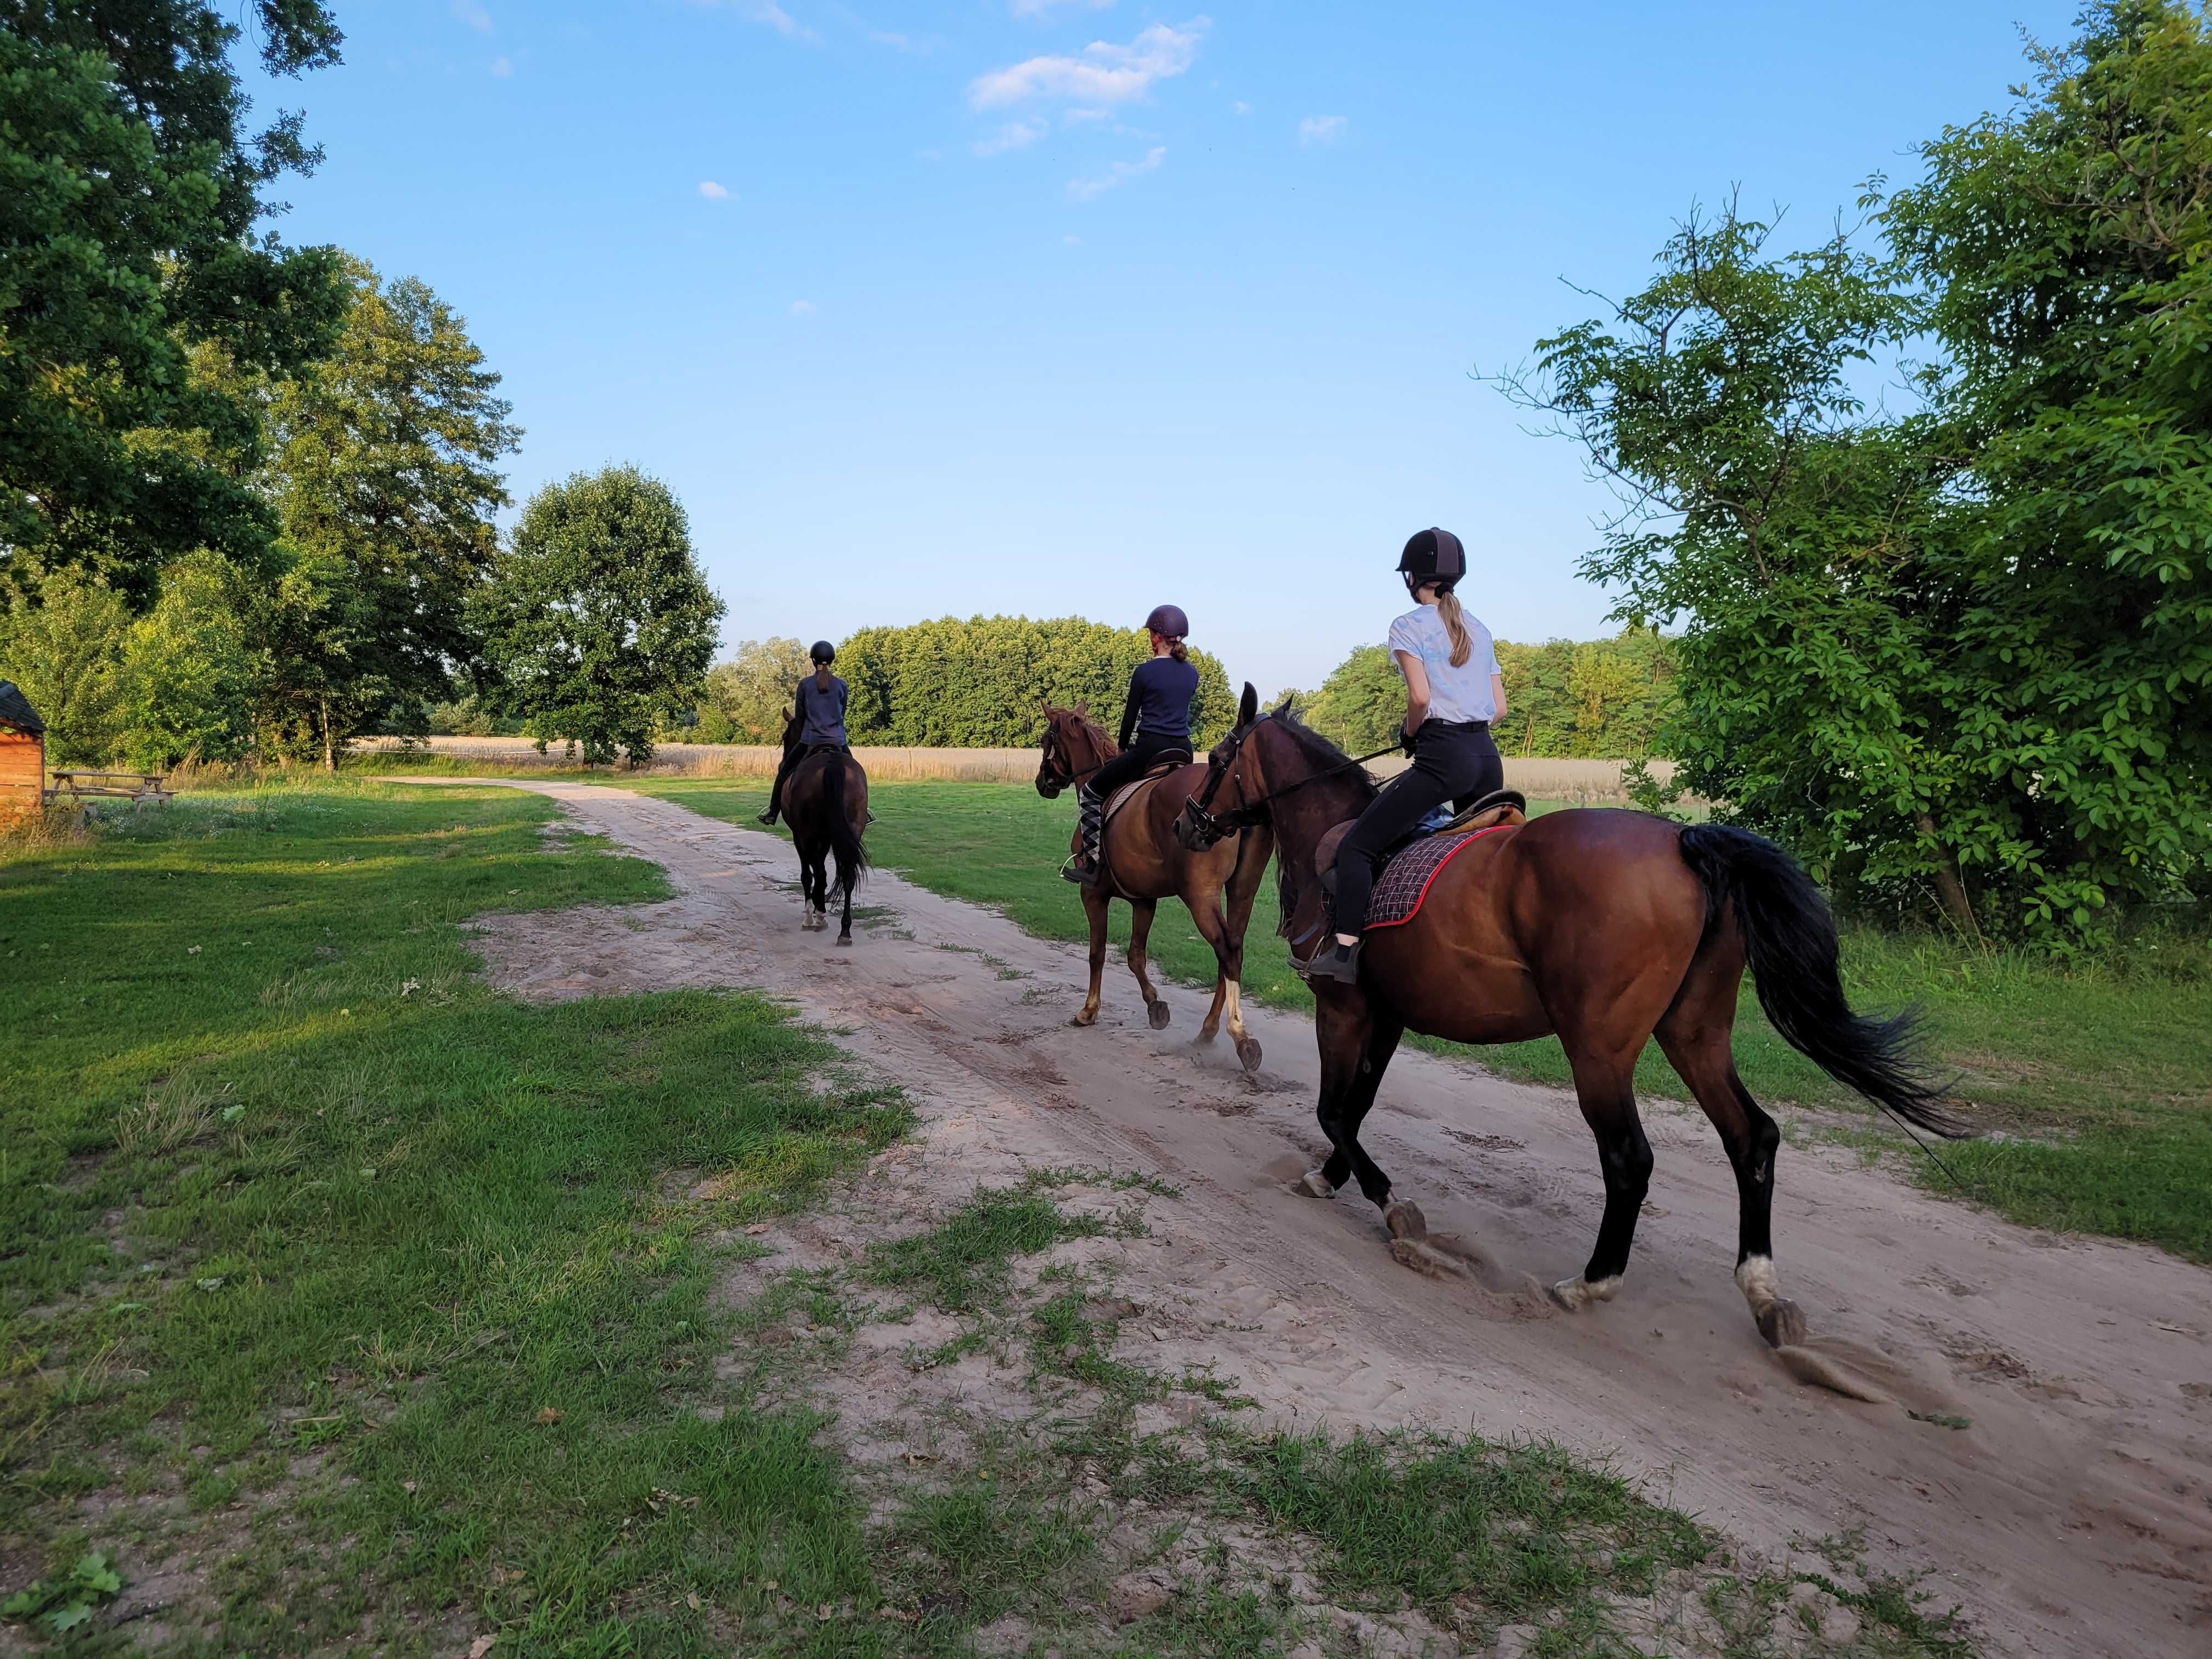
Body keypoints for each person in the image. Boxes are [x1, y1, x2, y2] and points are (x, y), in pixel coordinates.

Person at [1303, 529, 1508, 983]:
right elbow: (1500, 709)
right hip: (1486, 756)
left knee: (1357, 846)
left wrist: (1411, 733)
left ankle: (1345, 953)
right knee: (1484, 857)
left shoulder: (1408, 626)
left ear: (1412, 577)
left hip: (1444, 760)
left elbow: (1419, 696)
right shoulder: (1480, 628)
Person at [1064, 605, 1200, 884]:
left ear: (1156, 637)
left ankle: (1092, 864)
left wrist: (1123, 749)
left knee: (1091, 793)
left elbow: (1129, 719)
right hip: (1184, 750)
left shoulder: (1145, 672)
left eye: (1151, 633)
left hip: (1150, 750)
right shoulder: (1192, 674)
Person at [758, 640, 849, 827]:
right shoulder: (842, 685)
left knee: (784, 771)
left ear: (813, 660)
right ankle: (864, 812)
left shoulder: (805, 685)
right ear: (832, 660)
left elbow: (800, 719)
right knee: (856, 772)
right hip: (838, 741)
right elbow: (842, 714)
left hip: (810, 741)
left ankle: (773, 812)